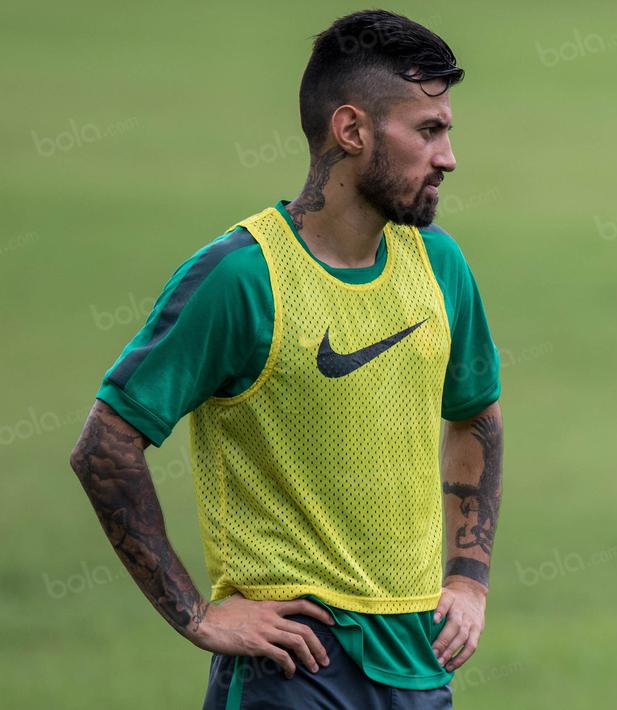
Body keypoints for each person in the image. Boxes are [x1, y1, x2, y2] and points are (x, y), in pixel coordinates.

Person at [68, 10, 502, 708]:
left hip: (418, 669)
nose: (447, 157)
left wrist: (468, 579)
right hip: (294, 671)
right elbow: (104, 445)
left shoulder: (440, 266)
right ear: (352, 130)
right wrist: (196, 615)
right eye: (427, 130)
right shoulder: (242, 278)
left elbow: (476, 415)